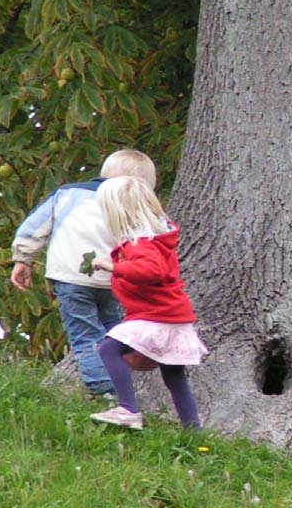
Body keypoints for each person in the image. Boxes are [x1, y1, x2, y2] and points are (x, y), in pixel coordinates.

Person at [10, 150, 157, 396]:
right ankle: (122, 372)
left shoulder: (68, 194)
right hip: (114, 279)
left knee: (85, 335)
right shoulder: (136, 204)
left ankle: (104, 388)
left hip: (71, 279)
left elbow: (35, 227)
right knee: (112, 327)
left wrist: (23, 259)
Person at [89, 176, 207, 430]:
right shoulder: (155, 240)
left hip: (155, 316)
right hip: (173, 316)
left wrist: (114, 267)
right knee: (174, 377)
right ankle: (193, 430)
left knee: (109, 350)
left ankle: (128, 409)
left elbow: (151, 270)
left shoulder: (139, 244)